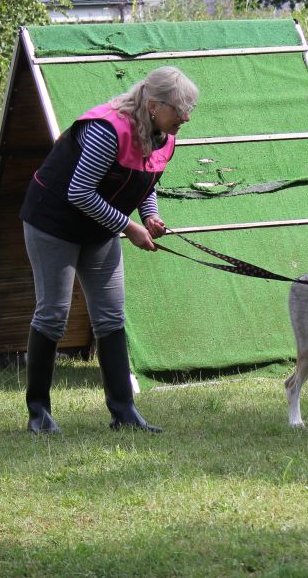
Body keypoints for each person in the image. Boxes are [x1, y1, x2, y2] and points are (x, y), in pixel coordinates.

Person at [19, 66, 199, 434]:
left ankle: (124, 413)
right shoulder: (107, 130)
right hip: (53, 223)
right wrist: (129, 227)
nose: (186, 117)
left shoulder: (165, 136)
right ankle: (39, 414)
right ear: (153, 106)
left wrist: (150, 216)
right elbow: (79, 193)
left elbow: (145, 180)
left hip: (99, 228)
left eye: (189, 108)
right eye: (179, 109)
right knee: (53, 314)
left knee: (111, 317)